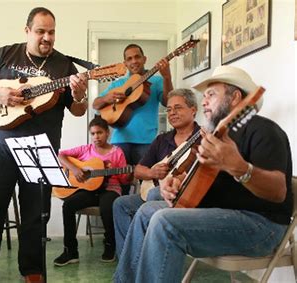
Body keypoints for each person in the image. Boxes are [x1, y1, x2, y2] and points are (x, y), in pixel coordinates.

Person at [114, 66, 293, 283]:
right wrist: (175, 182)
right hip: (224, 214)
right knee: (146, 212)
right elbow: (204, 182)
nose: (204, 102)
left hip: (261, 227)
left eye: (211, 94)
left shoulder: (263, 130)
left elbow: (278, 192)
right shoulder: (219, 138)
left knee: (164, 222)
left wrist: (240, 168)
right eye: (204, 96)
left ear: (235, 97)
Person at [0, 7, 88, 283]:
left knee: (35, 214)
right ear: (27, 31)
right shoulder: (6, 54)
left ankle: (33, 272)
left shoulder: (65, 66)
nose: (47, 37)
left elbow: (78, 111)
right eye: (41, 31)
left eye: (51, 32)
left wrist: (79, 95)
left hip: (40, 149)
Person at [112, 88, 200, 258]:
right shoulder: (162, 139)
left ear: (193, 110)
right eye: (169, 109)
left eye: (178, 108)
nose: (172, 113)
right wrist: (152, 173)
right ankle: (129, 260)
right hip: (155, 193)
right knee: (121, 204)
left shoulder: (202, 138)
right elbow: (138, 169)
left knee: (153, 194)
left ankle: (149, 259)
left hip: (183, 198)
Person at [53, 116, 131, 266]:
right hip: (89, 190)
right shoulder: (85, 149)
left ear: (107, 133)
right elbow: (60, 155)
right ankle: (70, 251)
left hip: (110, 188)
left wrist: (128, 175)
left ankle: (110, 245)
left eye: (100, 133)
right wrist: (75, 169)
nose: (96, 137)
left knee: (108, 207)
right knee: (68, 205)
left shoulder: (117, 152)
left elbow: (123, 180)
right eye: (93, 133)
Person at [92, 44, 173, 167]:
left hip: (147, 142)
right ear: (125, 63)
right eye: (129, 59)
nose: (134, 61)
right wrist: (106, 98)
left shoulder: (156, 81)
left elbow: (168, 102)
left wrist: (167, 77)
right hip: (120, 140)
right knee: (117, 183)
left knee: (147, 183)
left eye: (137, 57)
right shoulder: (119, 83)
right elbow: (95, 104)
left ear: (144, 59)